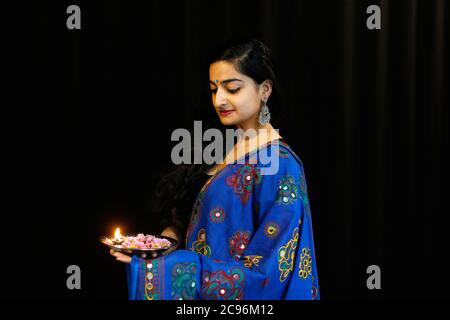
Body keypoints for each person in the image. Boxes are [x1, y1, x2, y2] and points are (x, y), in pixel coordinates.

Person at [110, 38, 320, 300]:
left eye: (232, 89)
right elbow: (192, 219)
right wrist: (160, 247)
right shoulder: (220, 146)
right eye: (213, 90)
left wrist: (168, 270)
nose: (219, 99)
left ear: (264, 89)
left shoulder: (281, 165)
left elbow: (269, 272)